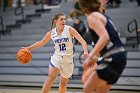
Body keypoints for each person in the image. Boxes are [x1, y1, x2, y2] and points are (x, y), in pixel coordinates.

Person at [23, 13, 88, 93]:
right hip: (56, 58)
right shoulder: (51, 33)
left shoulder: (69, 29)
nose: (64, 21)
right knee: (51, 78)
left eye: (64, 19)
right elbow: (41, 43)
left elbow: (82, 41)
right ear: (55, 21)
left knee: (63, 84)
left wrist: (85, 51)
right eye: (61, 19)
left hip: (68, 60)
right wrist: (28, 48)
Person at [79, 0, 127, 93]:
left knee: (87, 88)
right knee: (100, 91)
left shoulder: (92, 17)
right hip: (120, 57)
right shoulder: (103, 17)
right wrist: (93, 58)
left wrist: (89, 58)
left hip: (112, 58)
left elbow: (104, 37)